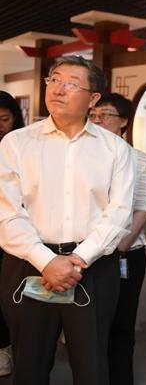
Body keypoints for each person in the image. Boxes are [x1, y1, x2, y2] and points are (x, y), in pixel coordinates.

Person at [0, 55, 135, 385]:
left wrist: (77, 259)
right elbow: (6, 212)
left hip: (92, 267)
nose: (58, 89)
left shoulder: (115, 149)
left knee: (91, 365)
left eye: (71, 83)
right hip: (27, 264)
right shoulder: (16, 142)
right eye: (54, 79)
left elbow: (118, 213)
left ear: (93, 99)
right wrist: (46, 261)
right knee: (29, 365)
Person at [89, 93, 146, 385]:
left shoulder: (138, 159)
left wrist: (118, 250)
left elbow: (142, 208)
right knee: (89, 324)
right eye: (93, 115)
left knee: (122, 322)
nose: (97, 121)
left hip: (126, 252)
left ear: (124, 121)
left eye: (105, 115)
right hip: (85, 252)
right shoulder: (82, 156)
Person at [0, 91, 25, 377]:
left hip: (16, 231)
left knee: (10, 294)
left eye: (4, 119)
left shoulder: (23, 146)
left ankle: (8, 346)